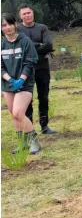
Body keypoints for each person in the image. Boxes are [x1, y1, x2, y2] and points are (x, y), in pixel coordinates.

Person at [1, 12, 41, 154]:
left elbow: (30, 62)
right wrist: (9, 79)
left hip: (24, 83)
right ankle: (22, 143)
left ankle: (34, 142)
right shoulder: (1, 43)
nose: (7, 28)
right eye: (4, 25)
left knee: (18, 113)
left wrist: (21, 79)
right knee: (13, 114)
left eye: (10, 24)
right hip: (7, 84)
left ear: (16, 25)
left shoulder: (25, 41)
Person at [17, 4, 57, 134]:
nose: (27, 15)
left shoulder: (42, 28)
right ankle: (30, 129)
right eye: (24, 14)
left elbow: (49, 45)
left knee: (44, 97)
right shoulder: (17, 29)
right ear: (20, 16)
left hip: (42, 68)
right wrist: (39, 45)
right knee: (27, 99)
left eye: (29, 13)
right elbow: (20, 47)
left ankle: (44, 126)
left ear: (33, 13)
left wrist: (29, 46)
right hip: (25, 70)